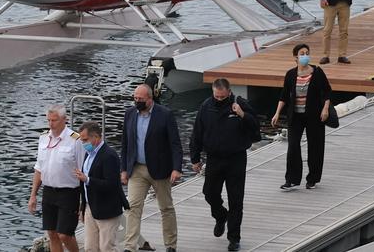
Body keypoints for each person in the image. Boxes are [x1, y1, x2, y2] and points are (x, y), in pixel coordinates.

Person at [191, 78, 259, 251]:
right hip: (214, 158)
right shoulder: (206, 106)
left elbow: (256, 129)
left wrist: (242, 115)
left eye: (222, 97)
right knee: (209, 193)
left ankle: (234, 239)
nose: (219, 99)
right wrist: (195, 158)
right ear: (213, 92)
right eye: (216, 96)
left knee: (236, 200)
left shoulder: (240, 104)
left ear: (229, 92)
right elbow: (197, 133)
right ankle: (221, 216)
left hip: (236, 158)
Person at [121, 84, 182, 252]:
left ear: (150, 98)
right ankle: (130, 246)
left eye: (140, 99)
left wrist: (176, 168)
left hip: (160, 169)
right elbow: (125, 143)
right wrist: (124, 169)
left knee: (166, 208)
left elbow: (175, 144)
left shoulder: (165, 115)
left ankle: (170, 245)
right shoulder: (130, 114)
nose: (137, 102)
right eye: (135, 98)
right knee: (132, 206)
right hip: (137, 168)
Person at [271, 44, 332, 190]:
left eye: (307, 53)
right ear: (295, 57)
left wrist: (325, 109)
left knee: (315, 147)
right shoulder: (291, 74)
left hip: (314, 115)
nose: (305, 55)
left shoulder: (317, 72)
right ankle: (291, 179)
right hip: (295, 115)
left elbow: (327, 92)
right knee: (292, 146)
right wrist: (277, 113)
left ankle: (313, 178)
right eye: (302, 53)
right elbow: (284, 95)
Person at [30, 104, 87, 252]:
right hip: (49, 191)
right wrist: (33, 195)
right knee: (52, 234)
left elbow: (83, 170)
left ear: (64, 120)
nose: (50, 124)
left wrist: (84, 202)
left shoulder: (75, 140)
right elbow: (39, 168)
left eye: (54, 120)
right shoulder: (43, 139)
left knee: (65, 235)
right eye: (48, 120)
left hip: (68, 192)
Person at [74, 121, 124, 252]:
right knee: (90, 247)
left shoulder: (109, 155)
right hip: (91, 207)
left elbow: (112, 184)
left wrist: (88, 179)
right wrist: (83, 207)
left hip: (107, 208)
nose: (83, 143)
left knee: (107, 247)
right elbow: (83, 185)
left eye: (85, 140)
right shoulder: (88, 154)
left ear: (95, 136)